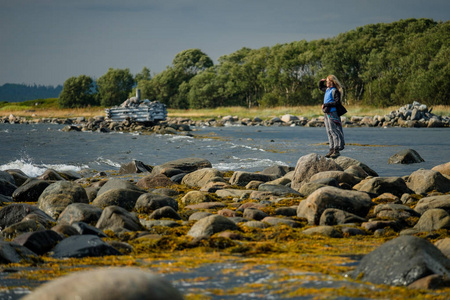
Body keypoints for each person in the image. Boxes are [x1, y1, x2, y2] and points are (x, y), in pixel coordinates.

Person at [319, 75, 345, 158]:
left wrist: (326, 104)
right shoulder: (327, 90)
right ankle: (331, 149)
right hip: (326, 113)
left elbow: (337, 103)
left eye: (327, 81)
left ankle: (336, 149)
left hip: (332, 113)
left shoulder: (335, 91)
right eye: (326, 81)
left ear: (332, 82)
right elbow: (320, 87)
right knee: (329, 131)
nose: (326, 83)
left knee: (334, 131)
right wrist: (321, 81)